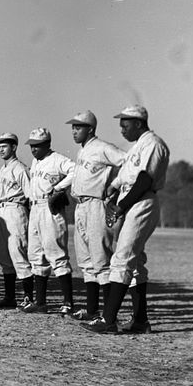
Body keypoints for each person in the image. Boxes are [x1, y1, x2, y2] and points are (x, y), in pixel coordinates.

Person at [82, 105, 169, 335]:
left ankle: (108, 320)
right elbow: (125, 176)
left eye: (125, 123)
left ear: (139, 123)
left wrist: (121, 206)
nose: (121, 128)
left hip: (141, 201)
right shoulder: (136, 147)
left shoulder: (153, 143)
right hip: (131, 199)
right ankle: (140, 321)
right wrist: (112, 187)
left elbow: (143, 180)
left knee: (122, 258)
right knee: (136, 263)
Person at [65, 110, 127, 321]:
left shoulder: (102, 148)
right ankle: (92, 310)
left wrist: (115, 187)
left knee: (102, 261)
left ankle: (109, 316)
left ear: (90, 129)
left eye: (79, 127)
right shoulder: (83, 150)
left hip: (97, 205)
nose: (74, 131)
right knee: (86, 262)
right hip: (81, 206)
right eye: (73, 127)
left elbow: (127, 162)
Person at [23, 127, 76, 315]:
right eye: (31, 145)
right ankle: (40, 302)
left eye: (37, 145)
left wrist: (59, 187)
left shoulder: (58, 159)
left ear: (47, 144)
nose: (33, 149)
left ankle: (68, 302)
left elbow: (75, 170)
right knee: (36, 254)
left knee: (56, 254)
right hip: (35, 208)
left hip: (50, 208)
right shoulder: (35, 162)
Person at [0, 133, 33, 308]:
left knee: (18, 253)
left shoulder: (21, 169)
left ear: (14, 147)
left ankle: (28, 297)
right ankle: (10, 297)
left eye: (4, 146)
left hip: (16, 209)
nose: (1, 149)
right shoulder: (3, 170)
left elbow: (29, 195)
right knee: (3, 255)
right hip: (2, 211)